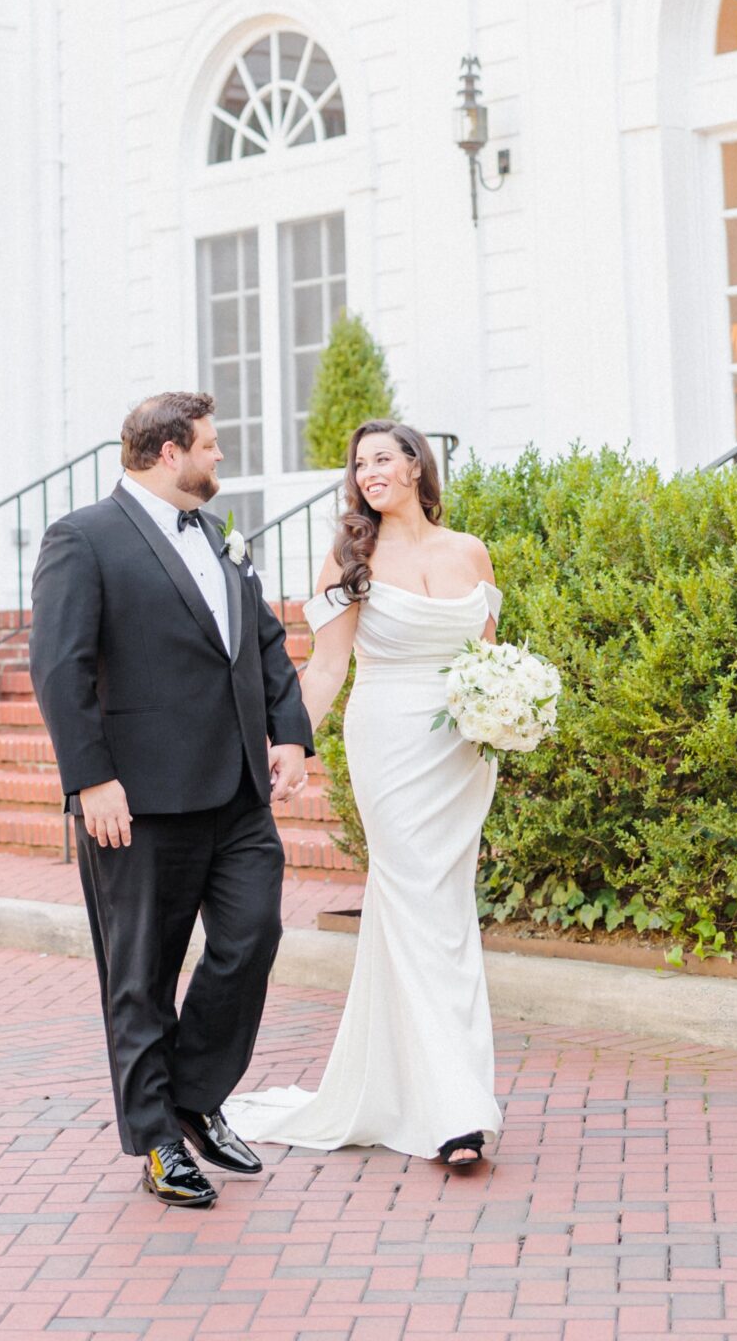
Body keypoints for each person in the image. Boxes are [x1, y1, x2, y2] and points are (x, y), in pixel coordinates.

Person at [28, 390, 315, 1208]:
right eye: (210, 445)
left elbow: (260, 641)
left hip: (235, 793)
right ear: (167, 452)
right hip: (138, 799)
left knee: (250, 938)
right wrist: (90, 780)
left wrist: (289, 733)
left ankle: (191, 1094)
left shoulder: (218, 536)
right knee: (141, 976)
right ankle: (157, 1139)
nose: (219, 457)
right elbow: (59, 668)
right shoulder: (82, 539)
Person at [224, 419, 504, 1169]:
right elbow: (324, 669)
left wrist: (511, 711)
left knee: (443, 911)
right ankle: (454, 1112)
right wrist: (292, 745)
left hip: (460, 754)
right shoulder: (350, 556)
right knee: (413, 897)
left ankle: (428, 1085)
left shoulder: (468, 552)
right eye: (359, 463)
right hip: (388, 742)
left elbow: (487, 660)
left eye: (383, 458)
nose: (368, 471)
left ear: (416, 466)